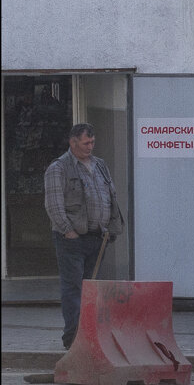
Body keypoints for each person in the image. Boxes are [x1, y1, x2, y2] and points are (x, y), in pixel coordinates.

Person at [43, 123, 124, 350]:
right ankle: (72, 339)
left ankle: (89, 335)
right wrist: (68, 232)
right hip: (72, 239)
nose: (90, 146)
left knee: (91, 290)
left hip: (98, 239)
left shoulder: (100, 165)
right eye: (86, 142)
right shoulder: (59, 168)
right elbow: (54, 205)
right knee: (73, 289)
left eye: (92, 142)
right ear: (73, 142)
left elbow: (111, 196)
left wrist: (110, 228)